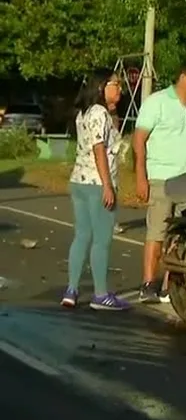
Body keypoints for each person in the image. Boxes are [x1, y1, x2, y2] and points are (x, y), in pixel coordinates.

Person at [133, 59, 186, 304]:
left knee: (179, 236)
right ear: (183, 78)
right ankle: (148, 284)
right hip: (161, 179)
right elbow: (139, 140)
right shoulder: (157, 103)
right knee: (157, 232)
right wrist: (141, 177)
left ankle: (169, 285)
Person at [61, 69, 130, 311]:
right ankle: (101, 294)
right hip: (98, 183)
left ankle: (71, 289)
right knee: (102, 240)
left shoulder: (86, 112)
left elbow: (112, 137)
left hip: (79, 181)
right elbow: (99, 149)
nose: (120, 89)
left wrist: (113, 112)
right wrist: (108, 186)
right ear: (102, 87)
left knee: (82, 235)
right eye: (115, 84)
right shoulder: (99, 113)